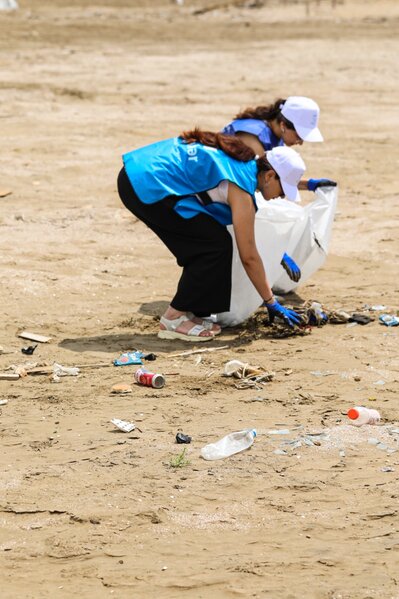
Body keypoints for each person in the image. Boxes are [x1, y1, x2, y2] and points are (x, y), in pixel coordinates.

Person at [117, 129, 306, 342]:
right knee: (211, 247)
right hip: (144, 182)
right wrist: (271, 302)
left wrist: (279, 253)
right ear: (270, 176)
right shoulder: (241, 189)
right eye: (283, 190)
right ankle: (174, 318)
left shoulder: (244, 162)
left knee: (216, 242)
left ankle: (194, 312)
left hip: (140, 170)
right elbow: (249, 255)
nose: (282, 196)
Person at [222, 96, 336, 192]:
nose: (301, 143)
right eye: (299, 136)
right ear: (283, 125)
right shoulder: (253, 139)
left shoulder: (276, 134)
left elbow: (273, 178)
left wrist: (310, 185)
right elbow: (263, 182)